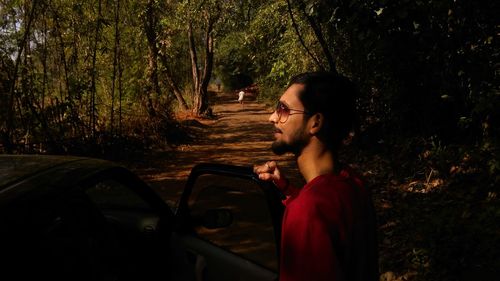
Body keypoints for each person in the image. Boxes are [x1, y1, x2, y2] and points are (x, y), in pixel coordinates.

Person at [253, 72, 378, 281]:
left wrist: (300, 204)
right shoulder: (353, 182)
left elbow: (313, 213)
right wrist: (288, 190)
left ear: (315, 123)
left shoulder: (308, 211)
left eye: (283, 109)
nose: (272, 117)